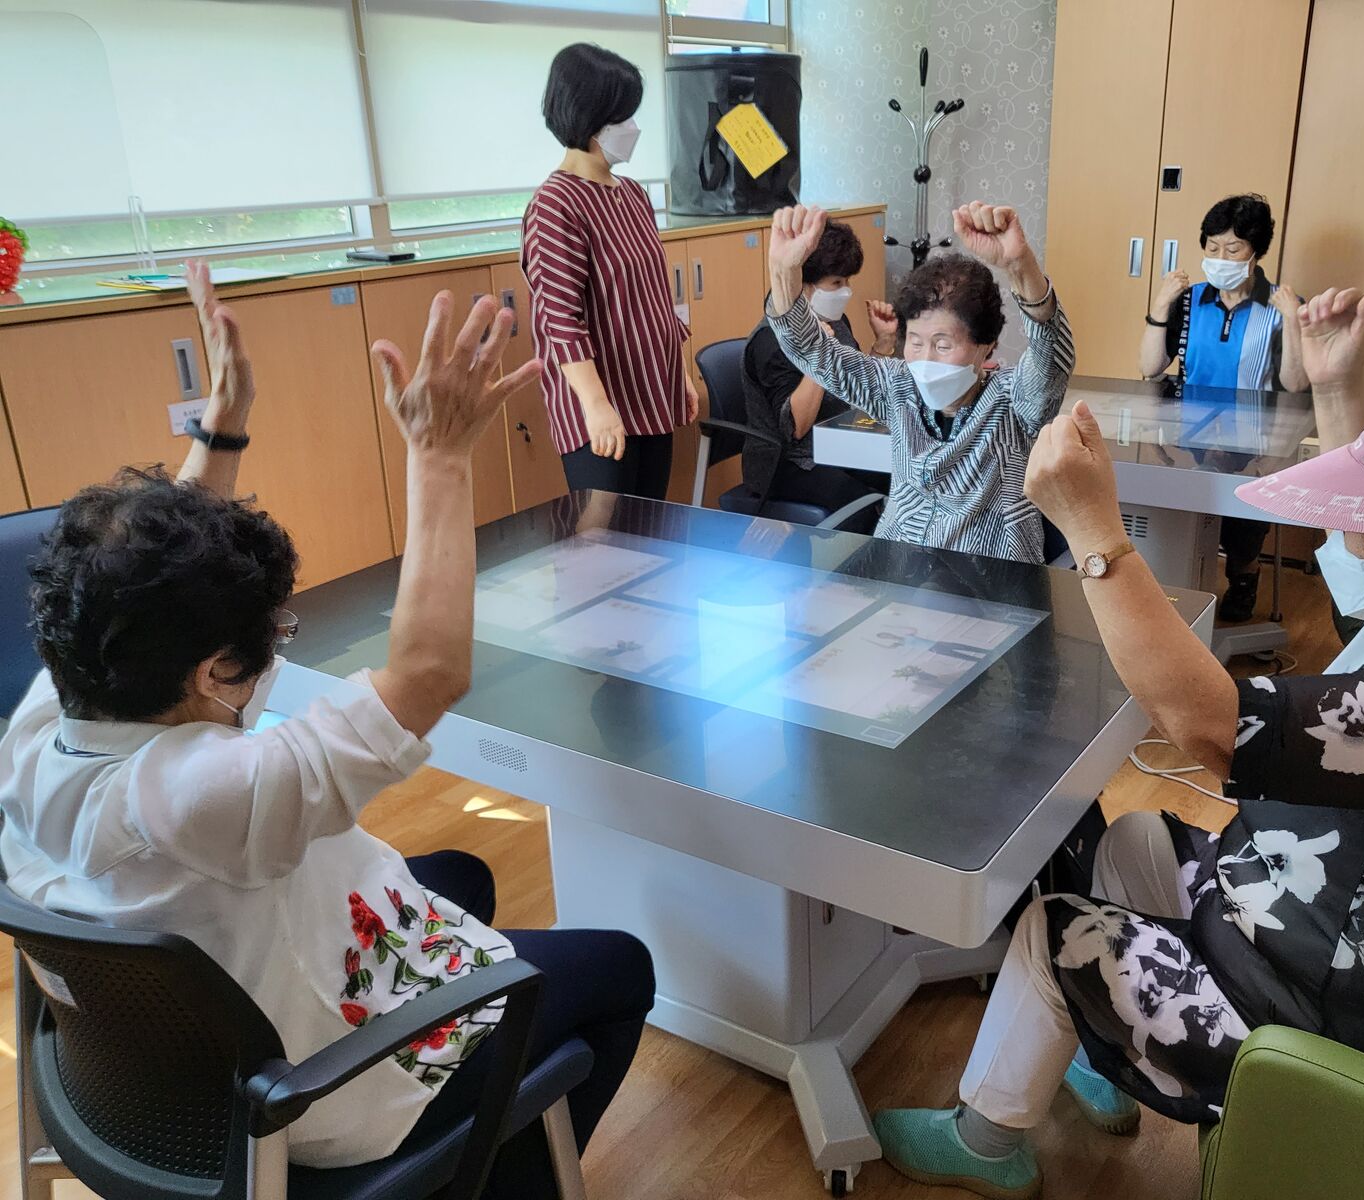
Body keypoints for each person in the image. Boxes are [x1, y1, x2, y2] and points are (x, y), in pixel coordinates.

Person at [869, 285, 1364, 1199]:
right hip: (1334, 944)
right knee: (1136, 841)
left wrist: (1093, 532)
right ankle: (1086, 1044)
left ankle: (986, 1143)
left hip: (1339, 1027)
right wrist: (1335, 386)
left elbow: (1210, 726)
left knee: (1055, 931)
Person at [0, 263, 655, 1193]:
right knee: (620, 967)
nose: (274, 643)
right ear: (210, 672)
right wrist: (439, 457)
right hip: (308, 1100)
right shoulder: (201, 798)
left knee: (461, 875)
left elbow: (143, 574)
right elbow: (427, 673)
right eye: (272, 634)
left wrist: (223, 428)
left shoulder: (45, 720)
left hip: (178, 1057)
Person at [764, 202, 1074, 564]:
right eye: (914, 342)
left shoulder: (1013, 401)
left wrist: (1021, 267)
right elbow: (813, 351)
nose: (925, 360)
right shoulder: (898, 388)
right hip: (898, 573)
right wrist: (784, 273)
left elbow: (1052, 354)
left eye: (942, 345)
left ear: (986, 345)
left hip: (990, 581)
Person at [523, 42, 697, 499]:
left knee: (652, 528)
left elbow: (655, 297)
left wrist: (678, 374)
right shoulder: (555, 204)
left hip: (652, 391)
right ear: (590, 118)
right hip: (598, 406)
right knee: (603, 536)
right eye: (623, 116)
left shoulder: (633, 194)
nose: (632, 127)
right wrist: (597, 406)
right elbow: (561, 321)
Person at [1140, 194, 1307, 622]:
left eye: (1232, 249)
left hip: (1253, 441)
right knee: (1179, 519)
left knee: (1241, 529)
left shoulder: (1281, 305)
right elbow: (1150, 368)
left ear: (1255, 251)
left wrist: (1293, 321)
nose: (1219, 258)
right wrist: (1160, 305)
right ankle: (1181, 589)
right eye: (1212, 247)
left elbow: (1295, 383)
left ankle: (1243, 577)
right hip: (1189, 433)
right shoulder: (1189, 299)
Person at [741, 217, 895, 530]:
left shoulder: (834, 320)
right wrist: (817, 357)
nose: (846, 291)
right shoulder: (770, 340)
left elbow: (855, 388)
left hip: (840, 442)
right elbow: (794, 429)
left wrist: (883, 344)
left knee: (905, 475)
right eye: (836, 283)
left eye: (847, 281)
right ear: (803, 284)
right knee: (863, 505)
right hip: (789, 462)